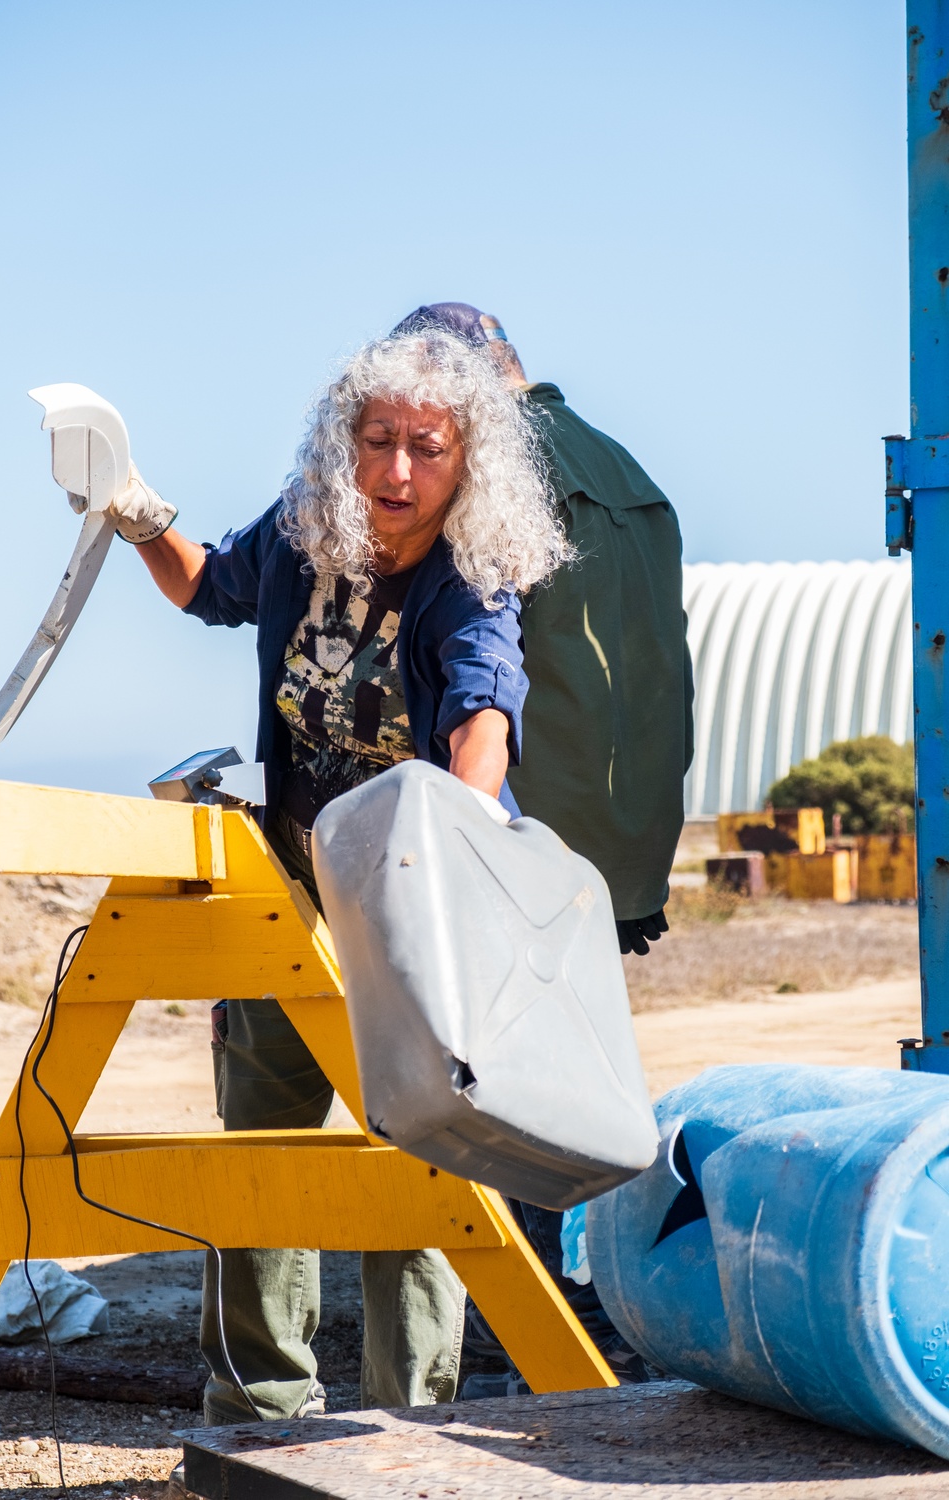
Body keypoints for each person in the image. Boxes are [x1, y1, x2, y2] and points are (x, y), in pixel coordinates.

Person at [96, 328, 569, 1421]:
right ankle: (259, 1417)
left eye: (427, 448)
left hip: (416, 911)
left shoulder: (468, 582)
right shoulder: (306, 539)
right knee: (261, 1154)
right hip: (287, 892)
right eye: (377, 440)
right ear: (341, 443)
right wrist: (130, 507)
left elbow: (482, 714)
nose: (398, 472)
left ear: (469, 465)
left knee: (418, 1161)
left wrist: (449, 848)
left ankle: (409, 1428)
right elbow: (209, 588)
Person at [391, 302, 694, 1394]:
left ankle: (535, 1313)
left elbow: (474, 648)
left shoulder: (494, 467)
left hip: (520, 819)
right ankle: (607, 1303)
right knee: (577, 1062)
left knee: (492, 1074)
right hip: (616, 823)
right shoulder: (623, 465)